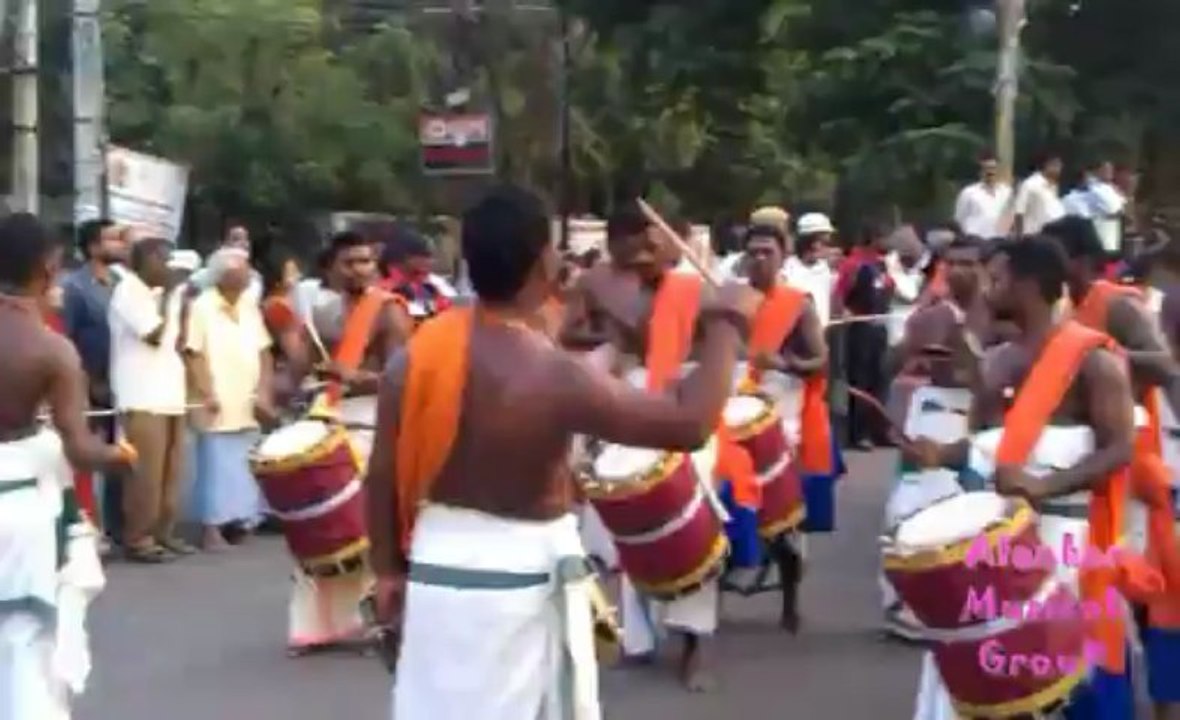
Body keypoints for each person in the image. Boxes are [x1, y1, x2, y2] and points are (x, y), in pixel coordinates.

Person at [365, 185, 759, 719]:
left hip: (435, 570)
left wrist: (387, 572)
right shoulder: (553, 376)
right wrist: (726, 326)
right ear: (542, 262)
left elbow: (382, 474)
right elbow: (689, 425)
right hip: (517, 583)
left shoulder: (414, 358)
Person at [905, 236, 1151, 719]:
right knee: (987, 679)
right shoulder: (1000, 358)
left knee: (1063, 682)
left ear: (1028, 285)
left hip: (1066, 550)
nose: (987, 288)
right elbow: (993, 450)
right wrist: (942, 454)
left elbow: (1120, 448)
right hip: (994, 550)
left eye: (996, 279)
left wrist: (1045, 487)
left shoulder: (1093, 359)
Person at [1044, 216, 1180, 718]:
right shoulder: (1056, 306)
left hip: (1135, 461)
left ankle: (1162, 704)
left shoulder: (1115, 304)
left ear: (1078, 260)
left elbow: (1163, 365)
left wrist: (1105, 355)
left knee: (1146, 587)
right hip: (1081, 461)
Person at [0, 213, 132, 720]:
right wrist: (120, 456)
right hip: (20, 514)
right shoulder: (50, 349)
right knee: (27, 643)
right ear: (48, 269)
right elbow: (80, 449)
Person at [880, 236, 989, 639]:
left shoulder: (996, 316)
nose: (959, 271)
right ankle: (907, 604)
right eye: (952, 263)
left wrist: (968, 349)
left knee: (966, 510)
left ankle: (965, 603)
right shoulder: (930, 314)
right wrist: (912, 346)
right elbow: (890, 363)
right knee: (907, 509)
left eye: (969, 264)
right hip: (928, 410)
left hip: (976, 416)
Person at [737, 223, 840, 627]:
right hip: (734, 405)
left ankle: (789, 599)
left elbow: (821, 360)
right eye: (753, 252)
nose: (760, 259)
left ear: (783, 257)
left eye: (768, 252)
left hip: (782, 408)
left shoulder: (799, 305)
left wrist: (782, 363)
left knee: (784, 515)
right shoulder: (730, 298)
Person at [184, 248, 276, 550]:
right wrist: (206, 391)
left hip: (247, 398)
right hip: (217, 399)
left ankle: (242, 520)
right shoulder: (202, 306)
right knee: (215, 465)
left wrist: (264, 390)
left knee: (243, 465)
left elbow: (264, 353)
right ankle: (212, 529)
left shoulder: (249, 306)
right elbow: (193, 353)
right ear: (225, 276)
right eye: (243, 269)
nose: (250, 274)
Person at [108, 237, 193, 562]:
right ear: (144, 261)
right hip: (141, 396)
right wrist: (172, 294)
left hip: (170, 392)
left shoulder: (163, 295)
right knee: (145, 473)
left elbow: (178, 341)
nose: (169, 267)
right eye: (163, 259)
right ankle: (138, 538)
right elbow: (154, 336)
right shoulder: (129, 291)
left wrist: (177, 301)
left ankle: (163, 532)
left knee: (171, 473)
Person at [303, 231, 413, 459]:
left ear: (375, 266)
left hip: (369, 419)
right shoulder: (323, 311)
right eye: (348, 263)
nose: (358, 269)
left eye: (365, 262)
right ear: (331, 268)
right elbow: (309, 368)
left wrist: (353, 377)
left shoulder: (389, 311)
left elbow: (400, 381)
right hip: (325, 416)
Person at [61, 219, 128, 544]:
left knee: (120, 457)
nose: (119, 244)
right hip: (90, 383)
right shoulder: (75, 288)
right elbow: (66, 339)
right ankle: (87, 528)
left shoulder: (121, 283)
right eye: (111, 239)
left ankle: (118, 527)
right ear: (92, 247)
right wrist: (83, 383)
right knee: (85, 457)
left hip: (123, 383)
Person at [837, 222, 895, 450]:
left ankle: (879, 430)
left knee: (880, 380)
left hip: (879, 326)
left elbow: (888, 289)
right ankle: (858, 433)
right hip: (859, 328)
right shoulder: (853, 264)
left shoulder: (881, 265)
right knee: (860, 381)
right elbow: (840, 295)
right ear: (874, 238)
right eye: (885, 238)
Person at [380, 229, 454, 327]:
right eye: (426, 256)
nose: (431, 262)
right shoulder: (383, 292)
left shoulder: (429, 289)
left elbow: (448, 318)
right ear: (404, 257)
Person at [1064, 159, 1127, 258]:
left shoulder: (1107, 188)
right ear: (1095, 172)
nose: (1110, 172)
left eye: (1111, 169)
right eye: (1106, 169)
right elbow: (1114, 209)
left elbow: (1122, 205)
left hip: (1107, 234)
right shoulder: (1096, 188)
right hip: (1099, 237)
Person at [783, 213, 837, 326]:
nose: (821, 246)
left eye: (826, 242)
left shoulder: (825, 269)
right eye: (823, 241)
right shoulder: (786, 270)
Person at [188, 223, 262, 302]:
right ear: (223, 245)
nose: (244, 244)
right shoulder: (202, 277)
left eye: (246, 239)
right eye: (236, 239)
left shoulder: (255, 278)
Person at [954, 152, 1013, 239]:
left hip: (1000, 241)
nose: (990, 172)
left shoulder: (1007, 192)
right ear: (980, 171)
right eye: (986, 168)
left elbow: (1009, 216)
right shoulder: (968, 192)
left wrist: (1005, 232)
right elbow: (960, 218)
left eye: (993, 168)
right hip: (975, 241)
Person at [1012, 151, 1065, 236]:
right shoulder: (1030, 184)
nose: (1059, 169)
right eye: (1056, 165)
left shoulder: (1053, 187)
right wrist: (1020, 237)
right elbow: (1019, 211)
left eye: (1060, 166)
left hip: (1055, 236)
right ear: (1046, 165)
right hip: (1035, 236)